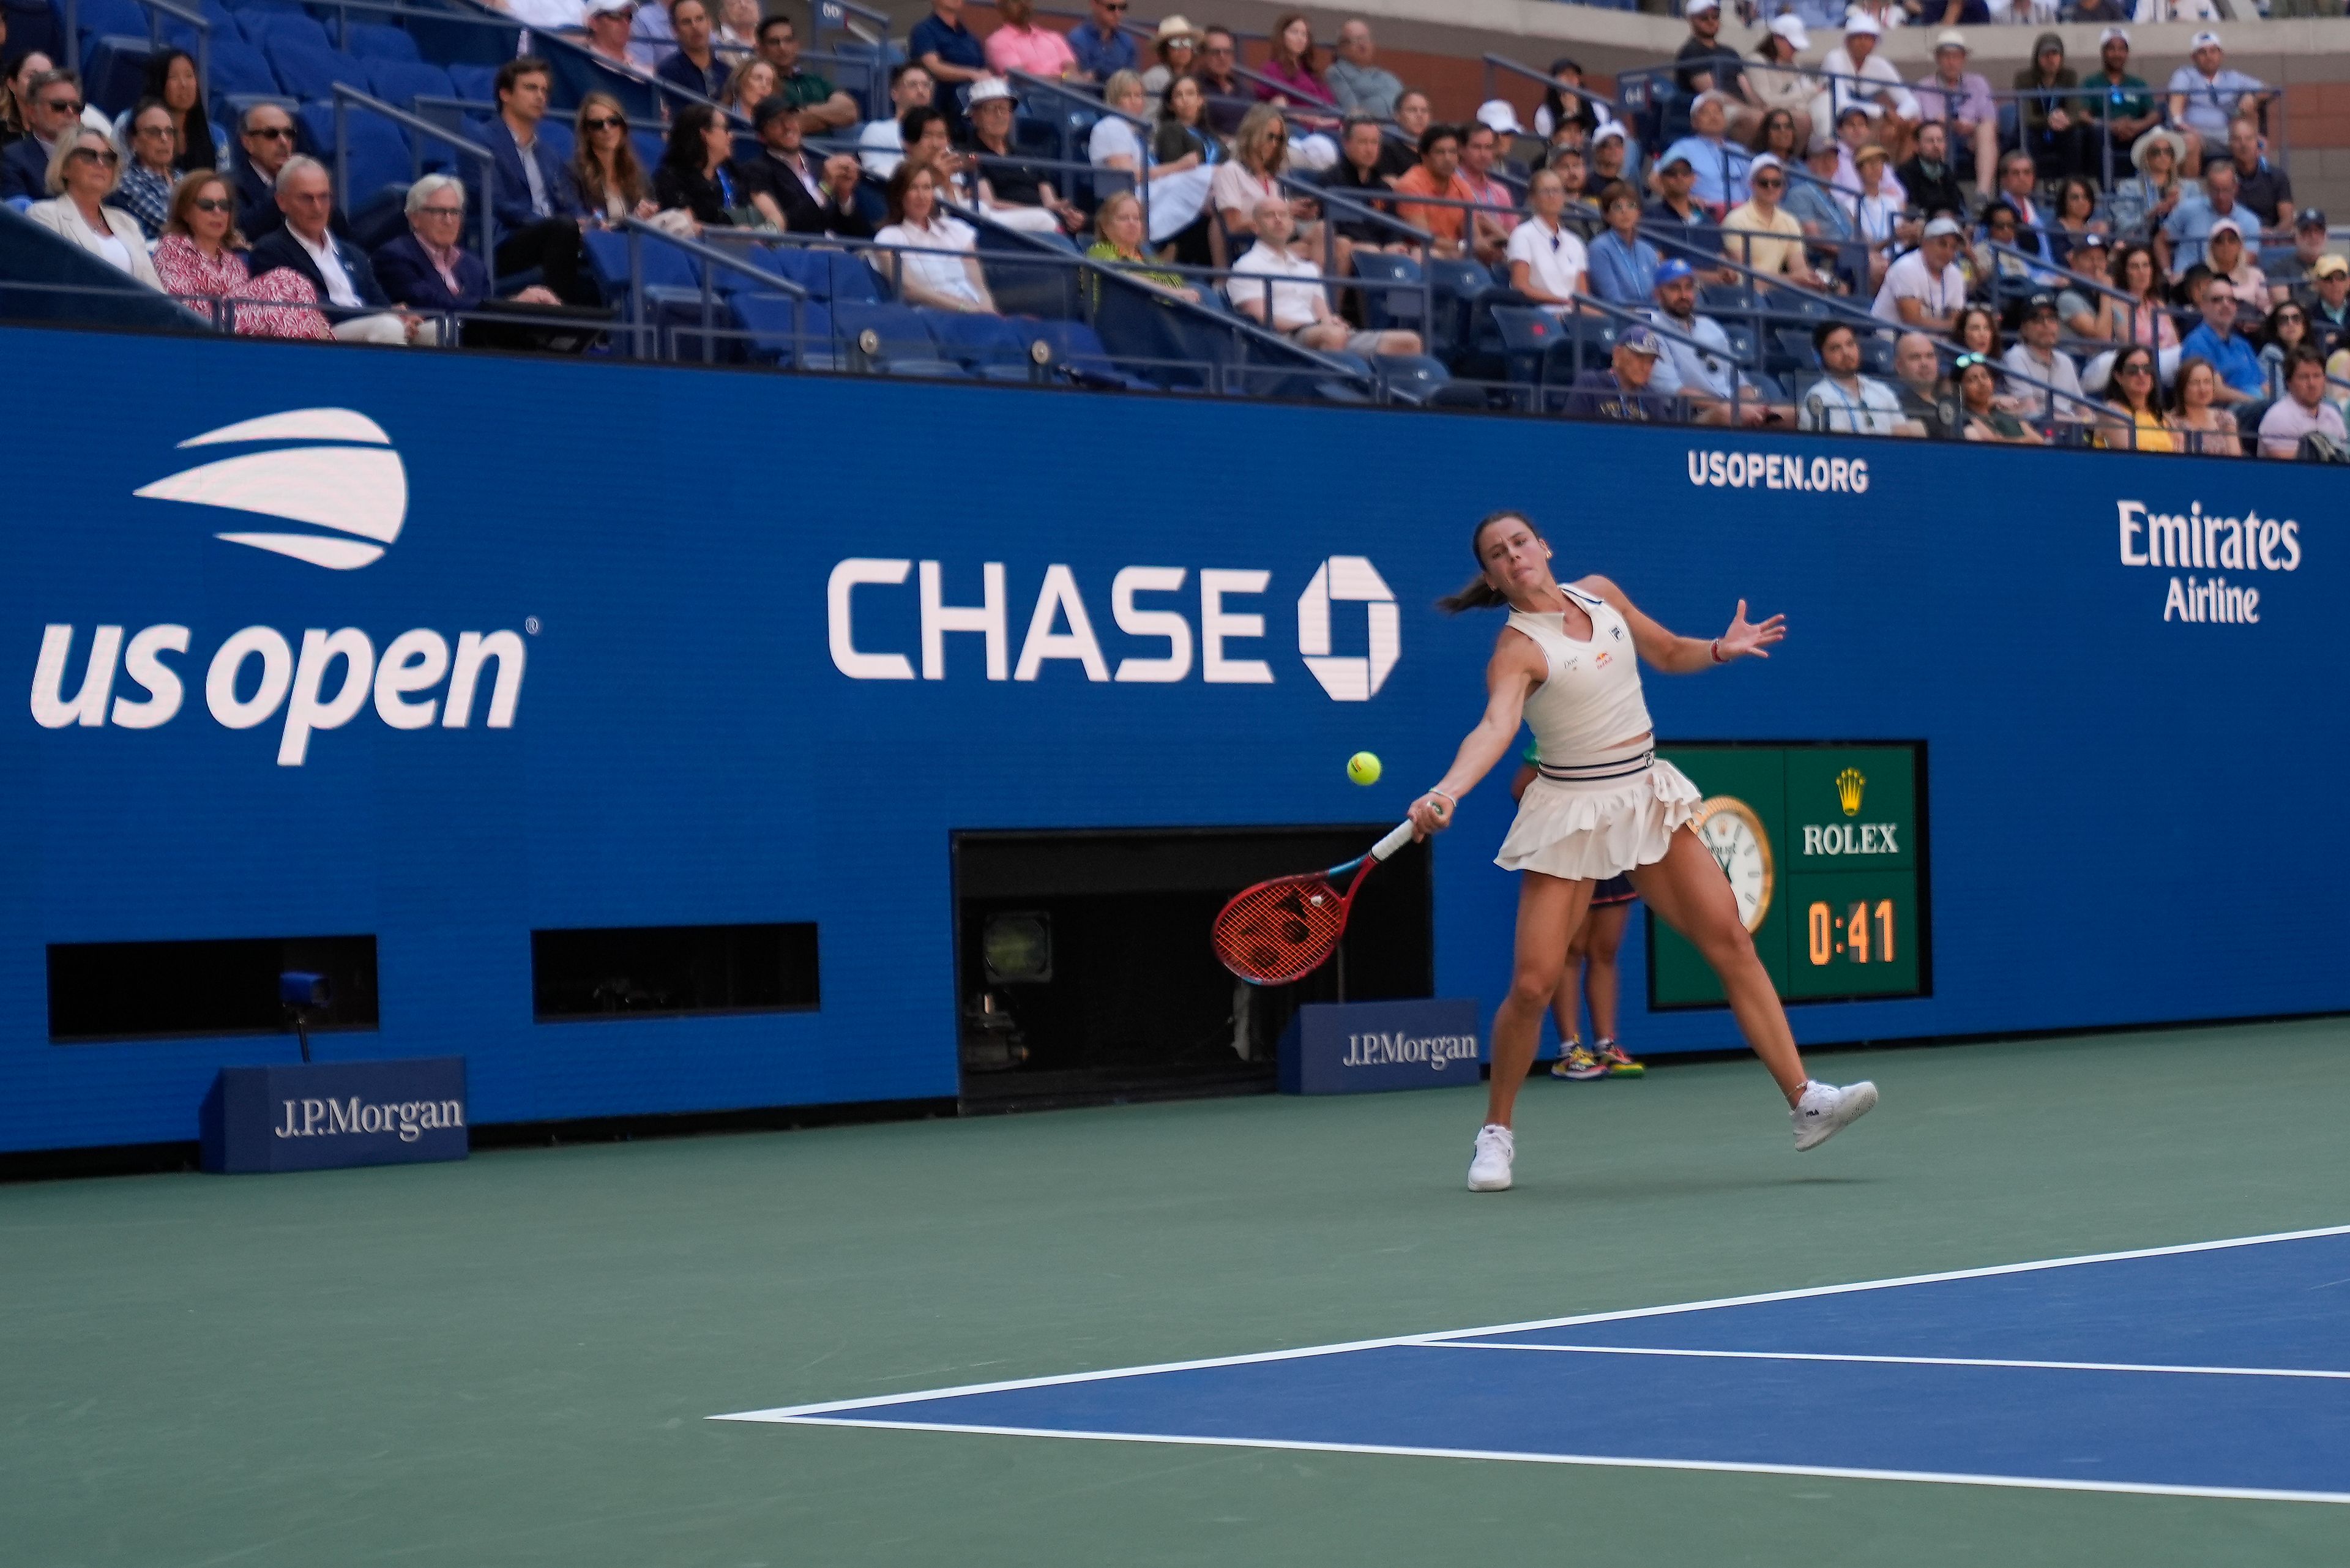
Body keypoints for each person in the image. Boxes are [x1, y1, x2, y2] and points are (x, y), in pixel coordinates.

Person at [1411, 510, 1875, 1193]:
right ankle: (1497, 1133)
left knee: (1731, 942)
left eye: (1520, 542)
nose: (1514, 556)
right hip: (1569, 810)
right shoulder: (1516, 650)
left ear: (1544, 545)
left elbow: (1665, 651)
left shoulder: (1601, 592)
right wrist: (1447, 790)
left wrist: (1719, 648)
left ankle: (1806, 1101)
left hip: (1643, 793)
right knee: (1535, 983)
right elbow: (1495, 727)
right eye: (1497, 554)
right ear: (1491, 576)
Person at [1510, 749, 1641, 1081]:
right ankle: (1569, 1050)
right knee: (1571, 950)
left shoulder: (1623, 733)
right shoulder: (1554, 735)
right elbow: (1521, 787)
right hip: (1571, 850)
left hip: (1614, 848)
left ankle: (1606, 1045)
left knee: (1606, 949)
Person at [250, 157, 435, 344]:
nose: (318, 207)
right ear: (282, 202)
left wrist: (401, 316)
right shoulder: (270, 251)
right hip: (322, 332)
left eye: (324, 197)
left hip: (372, 323)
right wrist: (387, 316)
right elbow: (312, 306)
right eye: (307, 198)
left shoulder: (353, 253)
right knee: (388, 327)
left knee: (440, 331)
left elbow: (379, 300)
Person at [1228, 193, 1420, 354]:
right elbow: (1261, 318)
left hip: (1319, 332)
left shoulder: (1307, 268)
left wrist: (1330, 321)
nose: (1278, 220)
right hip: (1281, 340)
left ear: (1292, 224)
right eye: (1269, 215)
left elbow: (1323, 313)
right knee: (1332, 335)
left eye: (1284, 215)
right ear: (1256, 227)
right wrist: (1315, 324)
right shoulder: (1247, 267)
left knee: (1409, 342)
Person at [150, 170, 331, 338]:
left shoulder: (234, 262)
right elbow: (184, 308)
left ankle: (319, 354)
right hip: (204, 332)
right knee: (283, 283)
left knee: (294, 285)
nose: (217, 212)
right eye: (207, 205)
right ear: (186, 213)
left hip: (243, 335)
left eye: (224, 205)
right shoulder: (172, 248)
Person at [478, 57, 595, 307]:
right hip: (507, 240)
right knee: (563, 229)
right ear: (505, 94)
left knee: (604, 237)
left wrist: (589, 222)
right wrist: (553, 223)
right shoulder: (482, 142)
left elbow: (570, 203)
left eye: (545, 90)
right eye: (531, 88)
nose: (541, 96)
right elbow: (496, 203)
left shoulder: (549, 154)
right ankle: (560, 320)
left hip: (557, 234)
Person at [373, 174, 564, 318]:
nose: (449, 221)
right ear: (414, 218)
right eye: (439, 212)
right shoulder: (394, 256)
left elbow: (487, 318)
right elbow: (432, 306)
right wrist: (513, 304)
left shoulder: (473, 266)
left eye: (455, 212)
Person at [23, 127, 163, 289]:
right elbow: (52, 282)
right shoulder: (44, 216)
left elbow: (154, 290)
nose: (101, 163)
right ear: (65, 167)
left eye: (109, 158)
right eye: (89, 156)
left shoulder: (126, 222)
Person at [1090, 70, 1211, 250]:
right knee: (1206, 178)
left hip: (1144, 191)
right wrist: (1179, 166)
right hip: (1125, 197)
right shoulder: (1112, 126)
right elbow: (1130, 176)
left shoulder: (1132, 131)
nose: (1135, 101)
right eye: (1127, 96)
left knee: (1212, 181)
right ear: (1114, 99)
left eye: (1139, 96)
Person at [1648, 258, 1772, 427]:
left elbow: (1739, 381)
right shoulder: (1652, 330)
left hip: (1733, 407)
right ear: (1658, 294)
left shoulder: (1711, 327)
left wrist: (1750, 404)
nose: (1684, 295)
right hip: (1693, 416)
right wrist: (1734, 408)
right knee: (1726, 414)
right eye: (1674, 288)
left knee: (1792, 414)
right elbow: (1675, 391)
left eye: (1689, 287)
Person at [963, 77, 1081, 234]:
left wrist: (1063, 211)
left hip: (1043, 222)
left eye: (1005, 109)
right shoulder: (970, 156)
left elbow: (1049, 200)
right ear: (974, 117)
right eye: (991, 109)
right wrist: (1039, 212)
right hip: (1005, 229)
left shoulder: (1027, 154)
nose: (999, 115)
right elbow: (988, 203)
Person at [739, 97, 871, 237]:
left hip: (835, 252)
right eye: (776, 123)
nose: (787, 126)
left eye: (790, 118)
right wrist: (825, 189)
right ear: (762, 137)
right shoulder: (757, 170)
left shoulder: (819, 167)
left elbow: (860, 234)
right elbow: (780, 227)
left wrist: (845, 196)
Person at [873, 161, 996, 312]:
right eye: (913, 188)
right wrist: (964, 308)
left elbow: (980, 284)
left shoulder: (955, 228)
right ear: (900, 195)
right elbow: (909, 290)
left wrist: (988, 307)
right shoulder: (888, 238)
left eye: (927, 188)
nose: (922, 196)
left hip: (977, 312)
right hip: (932, 318)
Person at [1814, 13, 1916, 163]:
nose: (1863, 42)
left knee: (1908, 126)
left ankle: (1895, 175)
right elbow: (1841, 105)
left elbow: (1912, 103)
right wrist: (1884, 112)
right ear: (1848, 41)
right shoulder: (1834, 58)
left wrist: (1898, 119)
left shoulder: (1880, 64)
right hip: (1830, 119)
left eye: (1868, 38)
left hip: (1863, 121)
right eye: (1858, 37)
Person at [2166, 31, 2266, 176]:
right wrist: (2178, 122)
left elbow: (2268, 90)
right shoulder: (2185, 74)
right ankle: (2191, 192)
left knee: (2252, 139)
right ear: (2194, 57)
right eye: (2203, 52)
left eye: (2213, 51)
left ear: (2221, 55)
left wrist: (2252, 97)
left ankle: (2253, 184)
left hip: (2229, 134)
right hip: (2196, 134)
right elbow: (2177, 97)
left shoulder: (2233, 77)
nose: (2209, 56)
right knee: (2189, 141)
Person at [1911, 31, 1997, 199]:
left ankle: (1982, 194)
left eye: (1956, 57)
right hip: (1939, 139)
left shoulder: (1978, 83)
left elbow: (1990, 119)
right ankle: (1942, 194)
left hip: (1970, 140)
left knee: (1986, 130)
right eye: (1946, 57)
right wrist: (1939, 123)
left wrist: (1971, 128)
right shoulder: (1923, 86)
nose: (1951, 62)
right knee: (1935, 134)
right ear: (1938, 59)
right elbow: (1916, 125)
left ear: (1964, 59)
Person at [1720, 152, 1818, 288]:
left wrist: (1808, 279)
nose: (1770, 188)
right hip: (1746, 294)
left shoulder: (1789, 221)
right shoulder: (1736, 220)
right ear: (1752, 185)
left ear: (1783, 187)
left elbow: (1799, 267)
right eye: (1764, 183)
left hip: (1776, 293)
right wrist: (1793, 279)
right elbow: (1744, 274)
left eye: (1776, 183)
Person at [121, 50, 223, 175]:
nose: (184, 84)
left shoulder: (216, 136)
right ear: (159, 82)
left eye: (189, 76)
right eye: (173, 77)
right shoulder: (129, 121)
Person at [1673, 0, 1761, 142]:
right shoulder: (1690, 52)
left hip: (1741, 108)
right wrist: (1749, 111)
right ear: (1692, 20)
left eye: (1715, 16)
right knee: (1755, 120)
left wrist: (1762, 109)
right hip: (1715, 110)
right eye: (1704, 18)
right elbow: (1713, 94)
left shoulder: (1730, 52)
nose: (1711, 21)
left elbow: (1747, 88)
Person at [1085, 188, 1196, 301]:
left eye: (1137, 218)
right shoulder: (1099, 250)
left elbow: (1178, 284)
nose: (1132, 223)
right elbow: (1123, 278)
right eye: (1124, 218)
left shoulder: (1147, 257)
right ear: (1105, 226)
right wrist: (1173, 293)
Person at [1324, 114, 1401, 275]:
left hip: (1378, 248)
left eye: (1374, 143)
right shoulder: (1331, 181)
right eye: (1363, 142)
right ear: (1346, 144)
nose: (1370, 149)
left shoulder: (1384, 188)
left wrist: (1393, 244)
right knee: (1370, 250)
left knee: (1402, 254)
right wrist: (1377, 246)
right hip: (1346, 246)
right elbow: (1338, 226)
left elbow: (1392, 226)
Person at [1800, 319, 1908, 433]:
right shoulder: (1819, 397)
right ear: (1820, 357)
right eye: (1836, 348)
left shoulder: (1881, 390)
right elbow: (1834, 447)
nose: (1846, 352)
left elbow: (1902, 435)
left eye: (1850, 344)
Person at [2164, 156, 2259, 282]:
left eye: (2225, 190)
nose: (2220, 196)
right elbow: (2161, 240)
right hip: (2184, 282)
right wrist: (2167, 273)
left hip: (2228, 283)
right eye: (2215, 190)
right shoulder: (2187, 209)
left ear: (2236, 188)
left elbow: (2247, 259)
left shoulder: (2250, 221)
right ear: (2207, 188)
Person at [757, 15, 858, 130]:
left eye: (788, 40)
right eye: (774, 42)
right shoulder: (764, 84)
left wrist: (807, 111)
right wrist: (831, 118)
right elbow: (789, 127)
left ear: (796, 45)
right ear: (761, 49)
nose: (782, 47)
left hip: (831, 148)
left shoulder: (814, 80)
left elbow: (850, 112)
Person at [1505, 168, 1585, 314]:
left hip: (1573, 315)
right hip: (1537, 313)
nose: (1552, 196)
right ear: (1532, 198)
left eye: (1557, 191)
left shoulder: (1576, 242)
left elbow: (1583, 296)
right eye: (1545, 191)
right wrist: (1562, 301)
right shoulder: (1522, 234)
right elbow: (1520, 286)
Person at [1392, 122, 1475, 261]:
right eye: (1440, 152)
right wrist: (1463, 246)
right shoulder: (1410, 185)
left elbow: (1473, 235)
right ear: (1425, 156)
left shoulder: (1462, 186)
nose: (1448, 159)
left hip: (1455, 253)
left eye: (1453, 152)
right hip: (1417, 254)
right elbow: (1423, 238)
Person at [1561, 327, 1680, 422]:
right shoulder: (1590, 384)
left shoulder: (1651, 397)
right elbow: (1572, 436)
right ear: (1617, 354)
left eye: (1651, 361)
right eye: (1639, 358)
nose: (1646, 367)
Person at [652, 102, 742, 226]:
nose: (731, 136)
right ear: (705, 134)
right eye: (725, 129)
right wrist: (733, 236)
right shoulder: (670, 179)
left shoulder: (731, 174)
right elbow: (687, 228)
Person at [2013, 32, 2087, 184]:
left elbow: (2075, 111)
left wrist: (2067, 120)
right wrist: (2050, 121)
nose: (2051, 59)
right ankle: (2029, 191)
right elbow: (2027, 117)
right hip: (2035, 130)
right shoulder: (2023, 78)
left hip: (2062, 130)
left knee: (2075, 136)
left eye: (2055, 54)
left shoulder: (2069, 76)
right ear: (2037, 57)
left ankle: (2070, 187)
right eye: (2045, 55)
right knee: (2027, 138)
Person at [1662, 92, 1750, 218]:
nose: (1713, 117)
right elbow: (1656, 180)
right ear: (1694, 122)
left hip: (1742, 216)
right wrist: (1685, 200)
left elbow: (1753, 187)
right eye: (1706, 113)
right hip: (1706, 215)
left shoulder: (1739, 151)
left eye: (1718, 112)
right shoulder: (1683, 148)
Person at [572, 94, 657, 225]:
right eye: (598, 124)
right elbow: (581, 222)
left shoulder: (637, 173)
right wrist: (632, 221)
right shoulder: (574, 173)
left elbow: (652, 208)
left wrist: (649, 212)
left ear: (623, 126)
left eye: (614, 121)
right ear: (587, 132)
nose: (607, 129)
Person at [2083, 28, 2158, 174]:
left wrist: (2137, 126)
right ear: (2103, 52)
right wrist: (2110, 125)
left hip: (2135, 133)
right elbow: (2083, 115)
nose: (2117, 54)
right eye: (2111, 49)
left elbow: (2154, 114)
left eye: (2122, 49)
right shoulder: (2091, 82)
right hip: (2105, 133)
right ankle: (2107, 191)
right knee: (2098, 134)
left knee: (2156, 134)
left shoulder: (2138, 83)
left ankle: (2150, 188)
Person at [1873, 214, 1965, 333]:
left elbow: (1957, 319)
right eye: (1942, 244)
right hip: (1889, 340)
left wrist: (1954, 326)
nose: (1948, 252)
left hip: (1933, 343)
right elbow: (1913, 321)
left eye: (1953, 248)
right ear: (1925, 243)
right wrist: (1951, 326)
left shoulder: (1955, 274)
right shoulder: (1906, 267)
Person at [1, 67, 81, 201]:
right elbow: (19, 218)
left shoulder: (97, 157)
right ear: (32, 113)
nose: (70, 112)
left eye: (77, 107)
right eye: (59, 106)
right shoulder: (11, 158)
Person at [909, 0, 987, 137]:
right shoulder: (924, 30)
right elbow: (932, 66)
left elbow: (983, 70)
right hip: (946, 104)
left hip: (976, 98)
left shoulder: (970, 37)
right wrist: (971, 74)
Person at [1645, 148, 1727, 277]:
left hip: (1714, 291)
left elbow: (1722, 260)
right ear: (1661, 179)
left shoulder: (1707, 220)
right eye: (1672, 173)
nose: (1679, 177)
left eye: (1685, 173)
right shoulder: (1651, 217)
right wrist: (1707, 277)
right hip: (1675, 289)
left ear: (1694, 178)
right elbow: (1657, 264)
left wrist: (1728, 274)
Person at [229, 102, 305, 241]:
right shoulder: (229, 184)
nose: (283, 141)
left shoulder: (305, 180)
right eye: (271, 134)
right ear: (248, 143)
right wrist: (285, 184)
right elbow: (243, 230)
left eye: (289, 133)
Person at [2004, 294, 2084, 422]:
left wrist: (2091, 420)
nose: (2046, 324)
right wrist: (2077, 420)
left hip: (2072, 432)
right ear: (2024, 329)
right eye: (2037, 319)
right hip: (2038, 432)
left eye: (2052, 318)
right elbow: (2031, 412)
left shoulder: (2065, 361)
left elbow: (2082, 407)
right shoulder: (2016, 357)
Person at [2179, 279, 2261, 404]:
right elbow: (2215, 391)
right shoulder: (2197, 343)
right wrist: (2258, 403)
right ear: (2203, 306)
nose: (2226, 304)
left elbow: (2264, 384)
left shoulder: (2242, 344)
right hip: (2226, 411)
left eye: (2231, 300)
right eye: (2217, 300)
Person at [2257, 346, 2347, 458]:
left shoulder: (2332, 415)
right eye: (2304, 377)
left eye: (2317, 376)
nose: (2312, 384)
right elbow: (2289, 470)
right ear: (2289, 383)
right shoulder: (2279, 417)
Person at [1586, 179, 1663, 306]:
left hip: (1652, 318)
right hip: (1620, 318)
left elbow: (1658, 295)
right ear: (1607, 215)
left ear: (1639, 213)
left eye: (1631, 206)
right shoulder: (1599, 249)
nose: (1625, 212)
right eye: (1617, 207)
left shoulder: (1648, 251)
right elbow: (1612, 299)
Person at [110, 99, 179, 239]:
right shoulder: (127, 182)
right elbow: (170, 225)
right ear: (134, 140)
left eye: (169, 131)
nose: (165, 139)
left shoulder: (182, 177)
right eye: (154, 132)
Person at [1745, 17, 1814, 154]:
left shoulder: (1795, 66)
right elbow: (1767, 101)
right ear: (1777, 39)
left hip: (1794, 112)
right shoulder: (1756, 61)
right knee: (1804, 120)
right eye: (1792, 46)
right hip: (1769, 115)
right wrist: (1809, 93)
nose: (1795, 51)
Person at [2109, 126, 2185, 245]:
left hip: (2178, 243)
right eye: (2156, 152)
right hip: (2142, 244)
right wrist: (2151, 214)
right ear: (2146, 158)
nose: (2163, 156)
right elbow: (2122, 224)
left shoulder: (2189, 188)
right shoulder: (2129, 187)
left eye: (2168, 151)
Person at [1256, 13, 1335, 126]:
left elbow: (1329, 105)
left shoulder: (1312, 73)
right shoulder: (1272, 69)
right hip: (1294, 129)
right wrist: (1306, 118)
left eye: (1304, 34)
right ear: (1282, 36)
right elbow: (1277, 105)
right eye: (1295, 32)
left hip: (1324, 127)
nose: (1300, 38)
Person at [858, 62, 933, 179]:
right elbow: (877, 177)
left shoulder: (939, 135)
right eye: (913, 85)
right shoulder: (877, 130)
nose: (921, 91)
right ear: (895, 93)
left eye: (926, 85)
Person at [1457, 122, 1516, 267]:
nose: (1483, 154)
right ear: (1462, 150)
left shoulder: (1501, 191)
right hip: (1464, 261)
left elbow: (1514, 235)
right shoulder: (1452, 185)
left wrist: (1495, 230)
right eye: (1477, 147)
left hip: (1501, 263)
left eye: (1488, 148)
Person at [2224, 115, 2292, 234]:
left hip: (2271, 242)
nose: (2243, 144)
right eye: (2237, 139)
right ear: (2230, 144)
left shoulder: (2278, 177)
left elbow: (2287, 220)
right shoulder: (2224, 178)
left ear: (2258, 143)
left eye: (2249, 138)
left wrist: (2273, 235)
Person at [2097, 343, 2171, 450]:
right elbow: (2129, 457)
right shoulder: (2112, 412)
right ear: (2119, 377)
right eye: (2133, 370)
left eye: (2147, 368)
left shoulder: (2162, 417)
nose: (2141, 374)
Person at [1957, 353, 2043, 444]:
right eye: (1973, 379)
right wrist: (2023, 441)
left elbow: (2039, 441)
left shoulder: (2008, 414)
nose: (1982, 383)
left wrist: (2008, 440)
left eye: (1985, 376)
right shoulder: (1964, 417)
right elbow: (1990, 443)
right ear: (1960, 388)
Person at [982, 0, 1076, 83]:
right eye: (1016, 1)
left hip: (1069, 95)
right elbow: (1022, 80)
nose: (1023, 4)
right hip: (1031, 98)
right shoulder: (997, 42)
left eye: (1027, 0)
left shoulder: (1054, 37)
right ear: (1002, 8)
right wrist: (1063, 78)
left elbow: (1072, 70)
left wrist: (1065, 78)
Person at [2162, 355, 2239, 455]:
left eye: (2207, 382)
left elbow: (2235, 459)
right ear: (2182, 387)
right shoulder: (2170, 422)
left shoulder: (2225, 419)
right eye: (2195, 383)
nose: (2203, 389)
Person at [1326, 20, 1402, 121]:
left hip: (1405, 131)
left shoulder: (1388, 77)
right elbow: (1353, 112)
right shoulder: (1336, 73)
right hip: (1376, 131)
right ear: (1342, 48)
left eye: (1366, 39)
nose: (1363, 45)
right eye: (1356, 40)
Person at [1895, 119, 1966, 225]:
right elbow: (1912, 210)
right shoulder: (1905, 173)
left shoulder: (1947, 172)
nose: (1936, 145)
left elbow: (1959, 206)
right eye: (1930, 141)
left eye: (1940, 140)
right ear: (1917, 146)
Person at [1892, 330, 1960, 439]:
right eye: (1915, 357)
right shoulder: (1897, 405)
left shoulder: (1951, 399)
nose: (1924, 363)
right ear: (1899, 366)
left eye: (1930, 356)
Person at [655, 0, 728, 100]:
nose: (695, 27)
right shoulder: (668, 72)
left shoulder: (727, 72)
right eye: (686, 22)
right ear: (675, 30)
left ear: (710, 23)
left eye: (700, 19)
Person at [2203, 218, 2268, 327]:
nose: (2226, 245)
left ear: (2240, 246)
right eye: (2219, 241)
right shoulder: (2203, 276)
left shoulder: (2256, 274)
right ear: (2212, 247)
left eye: (2232, 240)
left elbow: (2266, 309)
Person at [1535, 57, 1608, 144]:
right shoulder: (1544, 113)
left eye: (1574, 75)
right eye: (1565, 74)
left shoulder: (1596, 107)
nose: (1570, 79)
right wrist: (1569, 113)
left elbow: (1601, 139)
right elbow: (1551, 144)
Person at [2267, 211, 2331, 309]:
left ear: (2326, 236)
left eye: (2318, 231)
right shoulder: (2280, 268)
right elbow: (2284, 307)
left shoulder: (2338, 266)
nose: (2313, 237)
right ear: (2296, 236)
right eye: (2306, 232)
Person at [1195, 28, 1250, 142]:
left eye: (1227, 52)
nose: (1222, 57)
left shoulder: (1244, 90)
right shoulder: (1194, 87)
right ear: (1203, 55)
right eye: (1215, 52)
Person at [1140, 17, 1201, 113]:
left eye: (1187, 42)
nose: (1183, 48)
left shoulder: (1193, 79)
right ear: (1164, 49)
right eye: (1175, 43)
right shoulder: (1154, 78)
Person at [1066, 0, 1136, 83]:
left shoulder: (1127, 42)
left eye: (1122, 7)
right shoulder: (1077, 39)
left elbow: (1132, 80)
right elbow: (1082, 82)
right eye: (1111, 7)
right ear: (1094, 4)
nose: (1117, 14)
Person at [2259, 302, 2314, 401]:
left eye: (2296, 318)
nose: (2290, 323)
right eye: (2283, 320)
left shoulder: (2311, 353)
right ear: (2276, 329)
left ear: (2304, 326)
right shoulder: (2271, 354)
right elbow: (2279, 397)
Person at [582, 0, 645, 76]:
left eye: (629, 16)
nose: (625, 22)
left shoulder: (643, 76)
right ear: (593, 22)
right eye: (615, 15)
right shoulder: (577, 68)